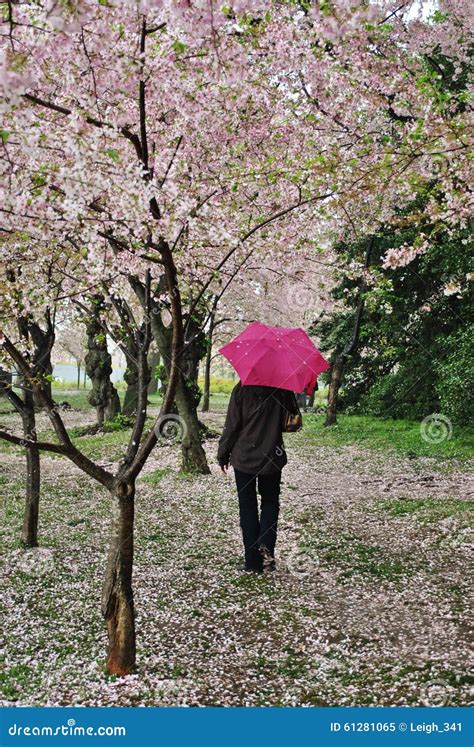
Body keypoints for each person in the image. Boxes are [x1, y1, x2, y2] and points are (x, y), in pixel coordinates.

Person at [217, 383, 299, 574]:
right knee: (270, 502)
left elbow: (232, 425)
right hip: (272, 455)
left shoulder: (242, 389)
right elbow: (292, 419)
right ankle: (266, 546)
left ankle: (253, 561)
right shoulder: (283, 388)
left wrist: (223, 454)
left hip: (244, 457)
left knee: (247, 507)